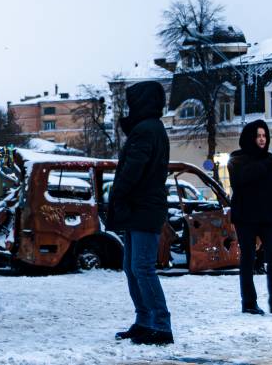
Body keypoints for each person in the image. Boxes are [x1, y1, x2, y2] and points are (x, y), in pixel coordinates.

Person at [107, 81, 173, 346]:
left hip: (144, 207)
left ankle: (161, 325)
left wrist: (118, 194)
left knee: (142, 268)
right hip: (140, 207)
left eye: (132, 103)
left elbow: (133, 168)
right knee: (132, 267)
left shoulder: (146, 130)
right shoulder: (149, 128)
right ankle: (145, 321)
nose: (129, 108)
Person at [227, 120, 272, 315]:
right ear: (250, 138)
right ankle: (249, 303)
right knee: (248, 259)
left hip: (268, 217)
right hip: (245, 217)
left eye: (264, 136)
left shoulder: (270, 159)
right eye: (258, 136)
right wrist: (267, 164)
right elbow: (240, 180)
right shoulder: (237, 159)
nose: (262, 139)